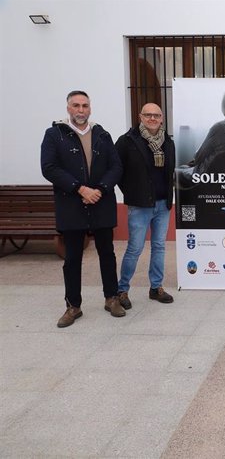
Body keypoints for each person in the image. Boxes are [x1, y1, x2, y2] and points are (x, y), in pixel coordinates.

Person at [40, 90, 124, 327]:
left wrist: (100, 189)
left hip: (101, 203)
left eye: (85, 105)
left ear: (90, 108)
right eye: (76, 105)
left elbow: (116, 166)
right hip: (72, 206)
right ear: (68, 108)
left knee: (107, 254)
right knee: (72, 258)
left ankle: (111, 298)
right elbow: (49, 168)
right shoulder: (54, 134)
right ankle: (73, 306)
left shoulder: (102, 134)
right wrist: (80, 189)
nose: (80, 110)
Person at [115, 103, 176, 309]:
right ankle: (122, 290)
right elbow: (117, 171)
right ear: (140, 116)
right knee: (135, 248)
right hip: (139, 205)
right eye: (148, 115)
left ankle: (155, 287)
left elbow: (169, 173)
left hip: (162, 204)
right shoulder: (127, 141)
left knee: (159, 247)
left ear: (162, 118)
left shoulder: (168, 142)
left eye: (156, 115)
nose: (152, 118)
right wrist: (131, 193)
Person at [177, 85, 225, 188]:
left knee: (176, 171)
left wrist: (193, 162)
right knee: (184, 168)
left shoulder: (221, 127)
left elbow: (199, 156)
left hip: (208, 178)